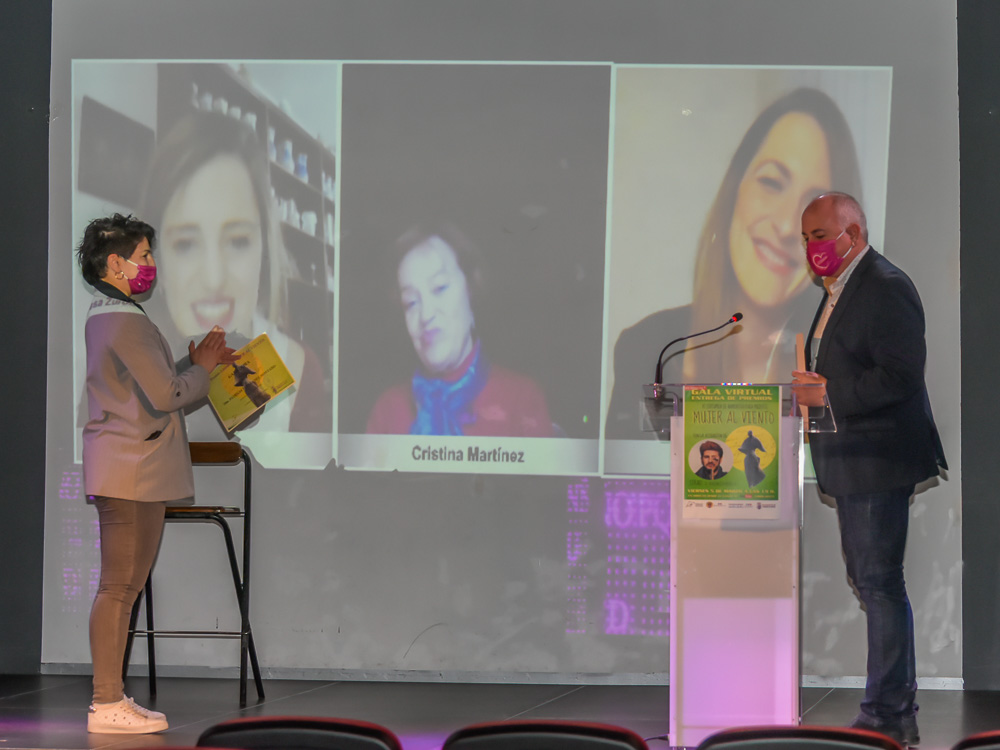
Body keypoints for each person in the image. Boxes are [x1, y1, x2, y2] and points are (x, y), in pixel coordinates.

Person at [606, 88, 863, 439]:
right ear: (734, 191)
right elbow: (624, 487)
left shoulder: (848, 362)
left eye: (814, 209)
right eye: (772, 183)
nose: (788, 226)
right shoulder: (651, 350)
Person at [792, 192, 947, 746]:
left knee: (879, 585)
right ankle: (891, 711)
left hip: (878, 459)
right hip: (851, 457)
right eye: (806, 238)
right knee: (872, 582)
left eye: (819, 237)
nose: (812, 249)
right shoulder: (840, 290)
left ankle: (888, 714)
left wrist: (826, 391)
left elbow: (900, 376)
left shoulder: (884, 286)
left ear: (851, 236)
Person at [78, 214, 236, 733]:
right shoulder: (124, 321)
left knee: (124, 586)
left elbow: (158, 390)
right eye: (144, 256)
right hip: (130, 470)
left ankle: (113, 697)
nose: (151, 267)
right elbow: (168, 395)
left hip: (133, 466)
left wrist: (191, 368)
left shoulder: (112, 316)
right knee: (119, 587)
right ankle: (106, 702)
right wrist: (206, 365)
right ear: (116, 263)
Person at [139, 110, 330, 433]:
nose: (214, 278)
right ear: (155, 257)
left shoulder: (299, 369)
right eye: (185, 245)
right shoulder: (121, 369)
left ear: (263, 250)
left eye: (238, 241)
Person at [366, 223, 553, 437]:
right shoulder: (387, 412)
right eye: (411, 303)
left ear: (471, 290)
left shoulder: (522, 400)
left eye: (440, 288)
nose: (426, 315)